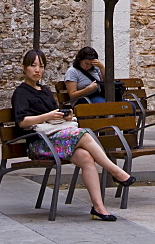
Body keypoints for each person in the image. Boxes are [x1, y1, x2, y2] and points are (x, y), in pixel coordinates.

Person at [12, 48, 135, 222]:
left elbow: (54, 115)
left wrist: (65, 114)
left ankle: (99, 208)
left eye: (41, 66)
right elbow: (22, 122)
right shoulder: (21, 93)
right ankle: (115, 171)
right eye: (33, 66)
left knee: (86, 157)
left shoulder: (45, 90)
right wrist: (47, 116)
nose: (37, 70)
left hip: (55, 138)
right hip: (38, 144)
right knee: (84, 134)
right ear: (24, 68)